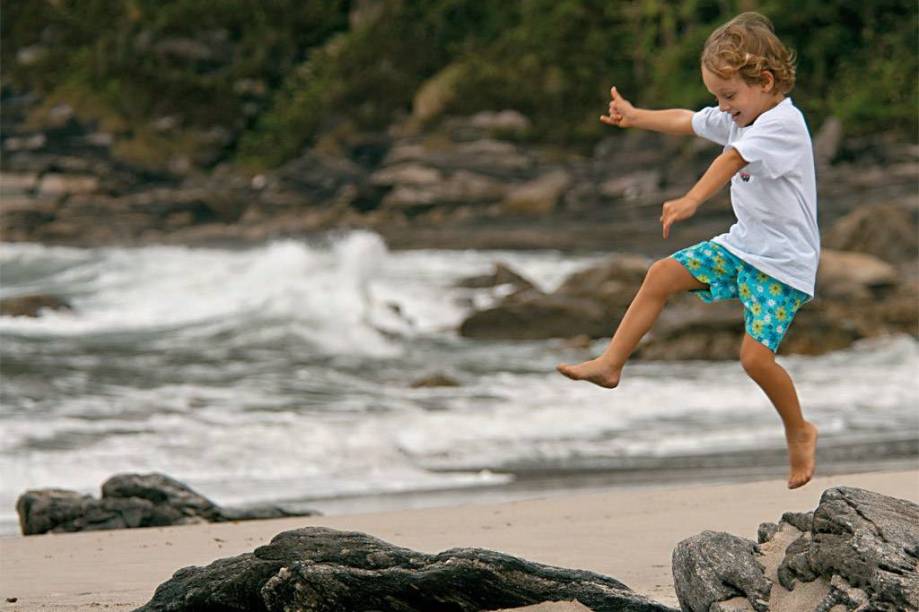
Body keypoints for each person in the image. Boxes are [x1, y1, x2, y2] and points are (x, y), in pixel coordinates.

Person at [556, 12, 819, 489]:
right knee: (660, 274)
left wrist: (693, 199)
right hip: (744, 246)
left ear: (764, 80)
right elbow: (689, 120)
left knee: (755, 361)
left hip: (783, 263)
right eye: (718, 97)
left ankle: (799, 429)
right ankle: (611, 363)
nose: (723, 108)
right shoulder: (744, 113)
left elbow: (732, 159)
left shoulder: (782, 124)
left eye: (729, 97)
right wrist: (636, 117)